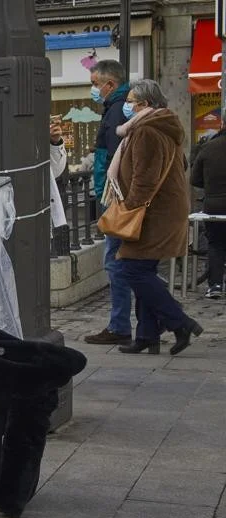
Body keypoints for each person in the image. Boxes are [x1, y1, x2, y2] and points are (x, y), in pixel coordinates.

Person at [106, 80, 202, 356]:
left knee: (131, 269)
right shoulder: (163, 128)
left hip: (152, 214)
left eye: (132, 101)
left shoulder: (146, 131)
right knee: (143, 271)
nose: (128, 105)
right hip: (163, 211)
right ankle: (147, 335)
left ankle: (179, 322)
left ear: (145, 105)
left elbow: (144, 179)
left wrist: (129, 211)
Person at [84, 59, 134, 345]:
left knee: (116, 263)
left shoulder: (116, 110)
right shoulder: (120, 107)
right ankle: (160, 318)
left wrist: (112, 198)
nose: (94, 90)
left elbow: (116, 159)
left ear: (109, 84)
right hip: (117, 195)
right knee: (132, 265)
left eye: (95, 84)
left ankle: (119, 326)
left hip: (114, 198)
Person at [191, 127, 226, 299]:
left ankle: (215, 285)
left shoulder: (209, 147)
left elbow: (194, 179)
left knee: (216, 244)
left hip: (215, 204)